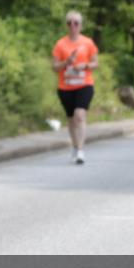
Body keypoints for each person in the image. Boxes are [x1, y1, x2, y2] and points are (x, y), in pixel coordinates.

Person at [51, 11, 99, 164]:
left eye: (76, 23)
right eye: (69, 23)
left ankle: (80, 150)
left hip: (84, 84)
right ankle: (74, 145)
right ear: (66, 25)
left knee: (80, 115)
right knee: (71, 119)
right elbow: (54, 67)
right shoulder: (60, 44)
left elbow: (95, 63)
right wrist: (67, 63)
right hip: (65, 86)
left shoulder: (88, 43)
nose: (73, 26)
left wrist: (84, 66)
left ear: (81, 25)